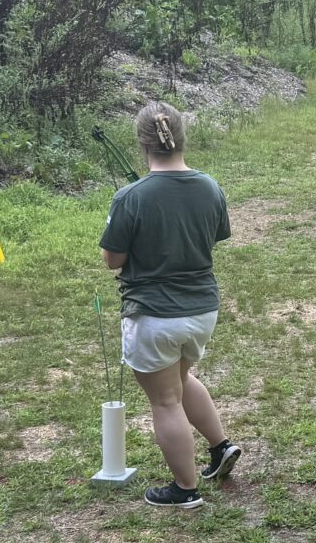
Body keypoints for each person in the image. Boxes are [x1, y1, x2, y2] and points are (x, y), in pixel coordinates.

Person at [99, 102, 240, 509]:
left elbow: (113, 259)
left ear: (142, 144)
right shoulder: (210, 187)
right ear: (181, 138)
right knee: (179, 378)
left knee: (165, 400)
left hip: (155, 315)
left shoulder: (130, 197)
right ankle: (220, 447)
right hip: (202, 311)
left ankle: (184, 489)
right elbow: (212, 236)